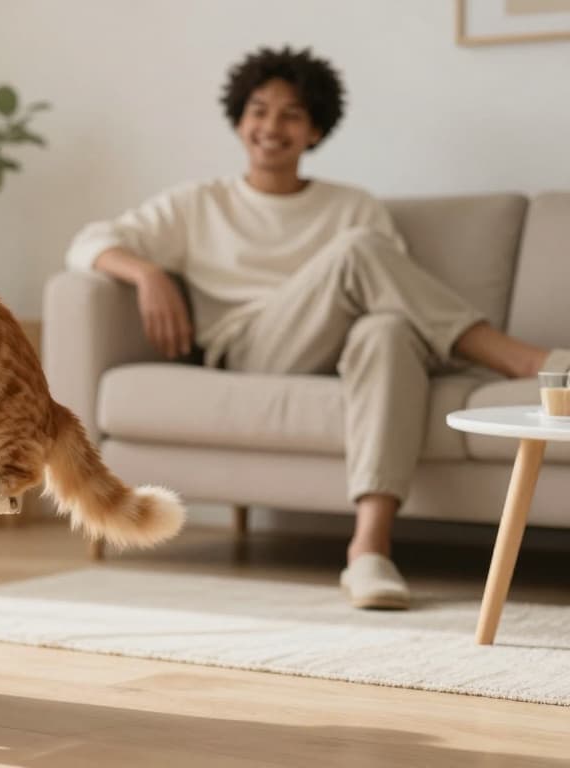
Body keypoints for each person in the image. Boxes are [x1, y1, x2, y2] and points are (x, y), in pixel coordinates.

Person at [65, 46, 567, 609]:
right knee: (359, 252)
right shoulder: (198, 204)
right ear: (239, 119)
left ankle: (369, 552)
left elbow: (397, 305)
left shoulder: (351, 205)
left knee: (387, 334)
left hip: (341, 350)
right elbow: (86, 243)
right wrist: (147, 272)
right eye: (259, 111)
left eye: (291, 114)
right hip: (251, 346)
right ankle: (524, 361)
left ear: (315, 130)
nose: (271, 127)